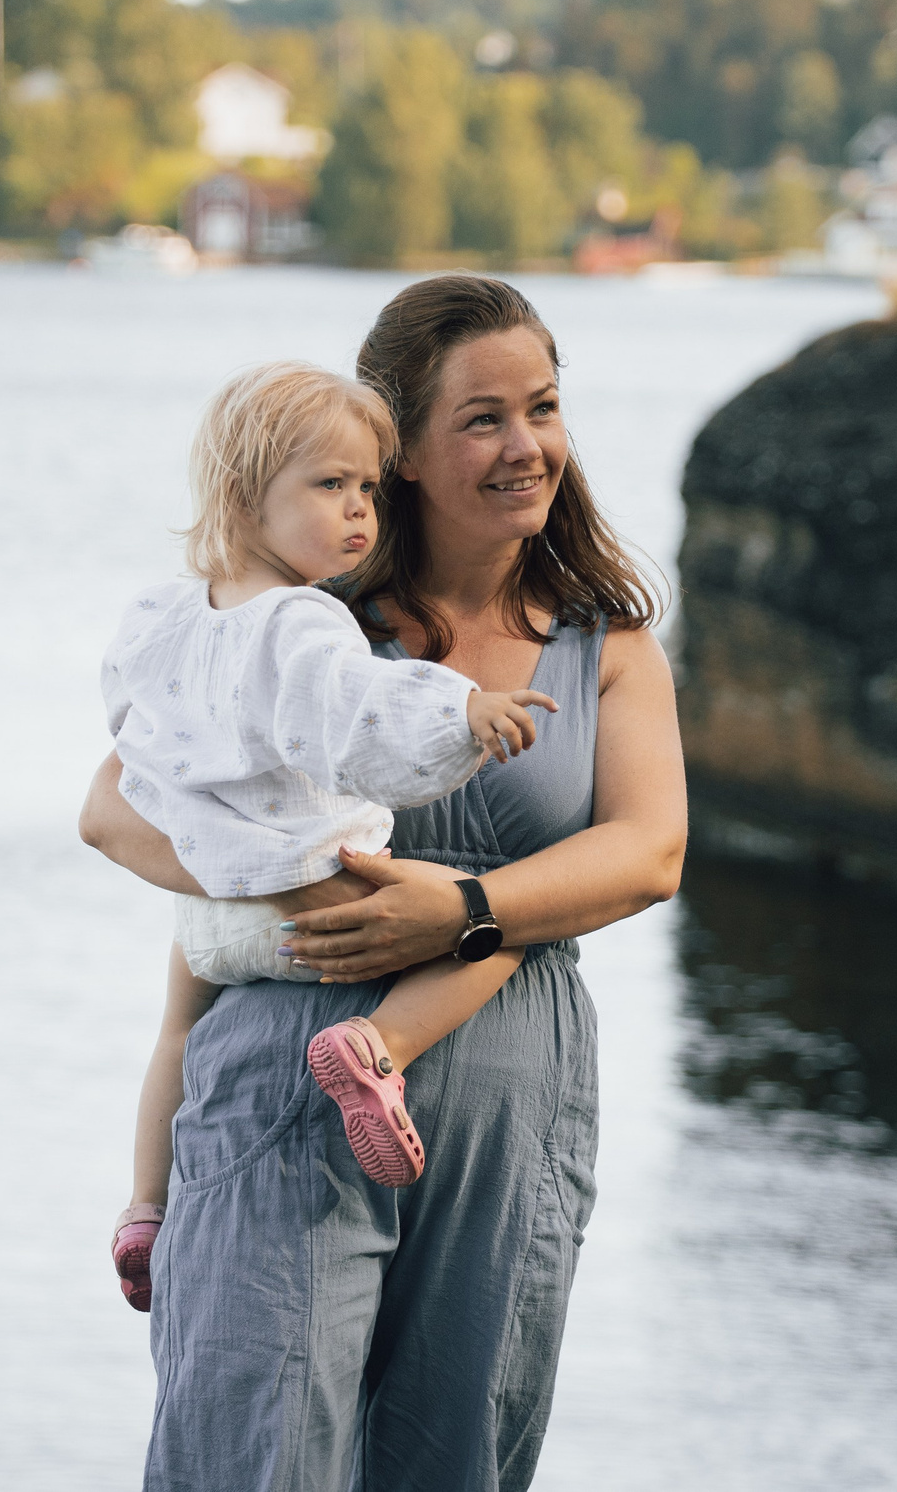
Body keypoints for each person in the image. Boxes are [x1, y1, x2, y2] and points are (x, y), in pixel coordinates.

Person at [80, 273, 687, 1492]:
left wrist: (461, 911)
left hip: (511, 1105)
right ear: (399, 449)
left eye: (544, 407)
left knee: (453, 1459)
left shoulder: (602, 640)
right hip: (286, 1074)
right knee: (253, 1450)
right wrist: (297, 891)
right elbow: (112, 807)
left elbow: (649, 852)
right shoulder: (296, 621)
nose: (527, 447)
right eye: (481, 418)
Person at [102, 360, 562, 1311]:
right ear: (243, 495)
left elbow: (127, 739)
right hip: (314, 889)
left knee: (177, 1032)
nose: (360, 512)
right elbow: (358, 715)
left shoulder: (164, 617)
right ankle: (375, 1048)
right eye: (329, 486)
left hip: (209, 907)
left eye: (365, 487)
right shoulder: (300, 621)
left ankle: (145, 1208)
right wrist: (463, 712)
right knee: (498, 929)